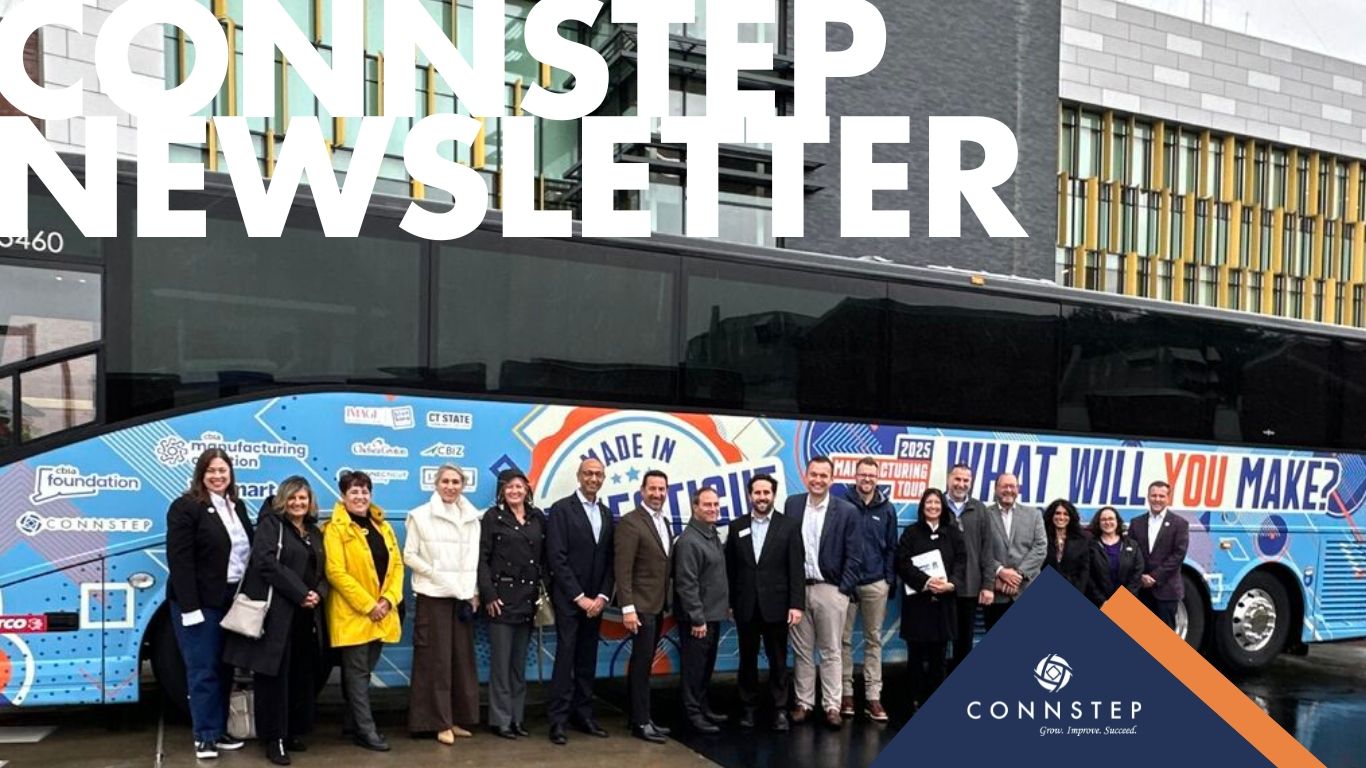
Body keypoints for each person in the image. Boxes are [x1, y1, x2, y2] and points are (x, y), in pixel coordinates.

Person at [222, 477, 327, 766]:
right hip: (278, 616)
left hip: (306, 617)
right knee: (274, 679)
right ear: (283, 499)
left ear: (310, 502)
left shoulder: (314, 532)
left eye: (303, 499)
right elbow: (265, 562)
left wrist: (316, 594)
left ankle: (292, 731)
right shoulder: (272, 526)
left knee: (300, 677)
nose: (297, 504)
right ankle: (274, 739)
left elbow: (323, 571)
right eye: (292, 498)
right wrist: (299, 592)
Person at [166, 448, 255, 760]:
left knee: (226, 667)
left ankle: (220, 730)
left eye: (223, 470)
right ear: (201, 475)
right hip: (199, 604)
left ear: (230, 474)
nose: (218, 476)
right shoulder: (186, 507)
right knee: (203, 670)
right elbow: (180, 561)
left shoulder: (238, 506)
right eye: (211, 471)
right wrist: (190, 609)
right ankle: (204, 735)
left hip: (232, 601)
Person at [323, 470, 404, 753]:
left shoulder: (382, 526)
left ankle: (351, 723)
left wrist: (388, 600)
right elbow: (335, 572)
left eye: (364, 491)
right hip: (354, 614)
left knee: (363, 673)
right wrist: (369, 605)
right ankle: (366, 731)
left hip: (382, 613)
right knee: (356, 675)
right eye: (354, 492)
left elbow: (397, 566)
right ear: (343, 496)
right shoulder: (335, 529)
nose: (360, 497)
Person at [403, 465, 483, 744]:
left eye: (456, 482)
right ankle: (437, 723)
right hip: (433, 596)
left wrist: (472, 592)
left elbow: (472, 561)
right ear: (436, 484)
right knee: (435, 662)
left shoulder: (473, 518)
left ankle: (456, 718)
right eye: (446, 481)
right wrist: (438, 575)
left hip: (461, 598)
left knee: (461, 661)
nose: (451, 486)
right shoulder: (419, 515)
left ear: (463, 485)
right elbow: (409, 556)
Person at [784, 455, 862, 730]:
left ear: (832, 478)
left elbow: (855, 556)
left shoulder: (847, 511)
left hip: (831, 590)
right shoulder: (792, 505)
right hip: (798, 591)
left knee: (831, 651)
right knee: (802, 651)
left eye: (823, 475)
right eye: (813, 474)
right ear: (806, 476)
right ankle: (804, 703)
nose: (817, 480)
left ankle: (832, 705)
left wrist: (843, 591)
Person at [545, 458, 616, 745]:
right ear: (579, 476)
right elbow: (556, 557)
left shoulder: (607, 513)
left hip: (596, 601)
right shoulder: (562, 510)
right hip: (570, 600)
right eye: (588, 473)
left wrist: (600, 596)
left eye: (598, 474)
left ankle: (583, 714)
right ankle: (558, 721)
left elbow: (611, 559)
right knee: (565, 659)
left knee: (587, 659)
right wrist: (580, 598)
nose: (593, 478)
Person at [725, 473, 804, 732]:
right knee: (746, 660)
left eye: (766, 493)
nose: (761, 497)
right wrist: (730, 603)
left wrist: (796, 604)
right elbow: (731, 569)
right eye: (757, 493)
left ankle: (780, 709)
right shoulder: (736, 527)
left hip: (777, 606)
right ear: (750, 495)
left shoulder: (789, 526)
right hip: (746, 606)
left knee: (778, 660)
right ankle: (747, 709)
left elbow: (796, 569)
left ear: (773, 494)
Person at [478, 469, 547, 740]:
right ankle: (500, 720)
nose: (515, 491)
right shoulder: (493, 518)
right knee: (501, 666)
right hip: (501, 601)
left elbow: (545, 557)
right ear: (502, 492)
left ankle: (517, 718)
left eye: (519, 486)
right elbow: (482, 559)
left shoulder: (537, 516)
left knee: (519, 666)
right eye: (509, 487)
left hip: (528, 601)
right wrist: (489, 594)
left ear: (526, 489)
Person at [613, 470, 674, 744]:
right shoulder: (630, 522)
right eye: (653, 489)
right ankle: (640, 722)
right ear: (642, 490)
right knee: (640, 666)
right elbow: (622, 569)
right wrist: (628, 607)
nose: (657, 494)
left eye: (662, 489)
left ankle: (641, 717)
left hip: (658, 605)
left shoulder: (665, 522)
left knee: (646, 663)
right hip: (640, 608)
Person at [839, 457, 897, 722]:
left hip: (875, 583)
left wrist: (887, 579)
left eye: (871, 476)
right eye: (863, 475)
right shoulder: (841, 504)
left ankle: (874, 697)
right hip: (846, 583)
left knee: (874, 641)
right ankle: (846, 694)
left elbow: (892, 547)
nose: (867, 479)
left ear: (878, 477)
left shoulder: (887, 508)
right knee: (843, 640)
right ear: (855, 476)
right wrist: (842, 579)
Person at [896, 488, 966, 709]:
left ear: (942, 507)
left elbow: (962, 562)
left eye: (937, 503)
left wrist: (951, 583)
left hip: (944, 603)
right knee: (915, 656)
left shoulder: (953, 533)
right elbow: (902, 563)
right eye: (929, 503)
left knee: (939, 657)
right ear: (922, 506)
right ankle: (914, 698)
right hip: (917, 604)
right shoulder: (911, 533)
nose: (933, 507)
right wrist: (927, 581)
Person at [672, 487, 730, 734]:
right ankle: (692, 713)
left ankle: (703, 707)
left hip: (714, 615)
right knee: (694, 669)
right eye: (707, 505)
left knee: (706, 668)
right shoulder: (689, 541)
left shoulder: (711, 535)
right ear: (695, 507)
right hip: (699, 620)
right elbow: (686, 583)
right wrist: (697, 618)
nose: (713, 509)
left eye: (716, 504)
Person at [981, 473, 1046, 630]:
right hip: (996, 594)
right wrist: (1001, 571)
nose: (1008, 490)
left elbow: (1040, 547)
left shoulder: (1034, 515)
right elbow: (979, 548)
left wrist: (1018, 575)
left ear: (1018, 490)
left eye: (1012, 486)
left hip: (1026, 589)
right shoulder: (983, 514)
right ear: (996, 489)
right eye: (1004, 486)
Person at [945, 463, 991, 672]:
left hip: (970, 587)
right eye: (957, 479)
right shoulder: (938, 505)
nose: (961, 484)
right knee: (938, 641)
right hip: (942, 585)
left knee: (964, 642)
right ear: (949, 479)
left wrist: (988, 585)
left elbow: (987, 549)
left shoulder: (979, 508)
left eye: (965, 480)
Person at [1129, 481, 1190, 629]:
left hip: (1167, 591)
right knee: (1139, 636)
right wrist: (1141, 575)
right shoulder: (1136, 523)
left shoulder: (1180, 524)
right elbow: (1130, 552)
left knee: (1163, 642)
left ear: (1168, 499)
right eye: (1154, 495)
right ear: (1148, 497)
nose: (1157, 499)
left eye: (1161, 496)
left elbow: (1178, 555)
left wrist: (1155, 577)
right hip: (1140, 589)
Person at [1086, 506, 1145, 606]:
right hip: (1099, 603)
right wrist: (1102, 601)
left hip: (1126, 604)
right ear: (1098, 523)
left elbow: (1137, 573)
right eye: (1103, 519)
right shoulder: (1090, 546)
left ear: (1117, 521)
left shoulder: (1132, 545)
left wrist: (1124, 600)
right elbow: (1088, 576)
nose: (1107, 522)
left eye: (1111, 519)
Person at [1041, 499, 1091, 597]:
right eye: (1057, 513)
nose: (1061, 517)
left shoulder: (1082, 539)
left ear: (1071, 517)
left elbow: (1084, 570)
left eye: (1065, 514)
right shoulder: (1041, 537)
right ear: (1051, 515)